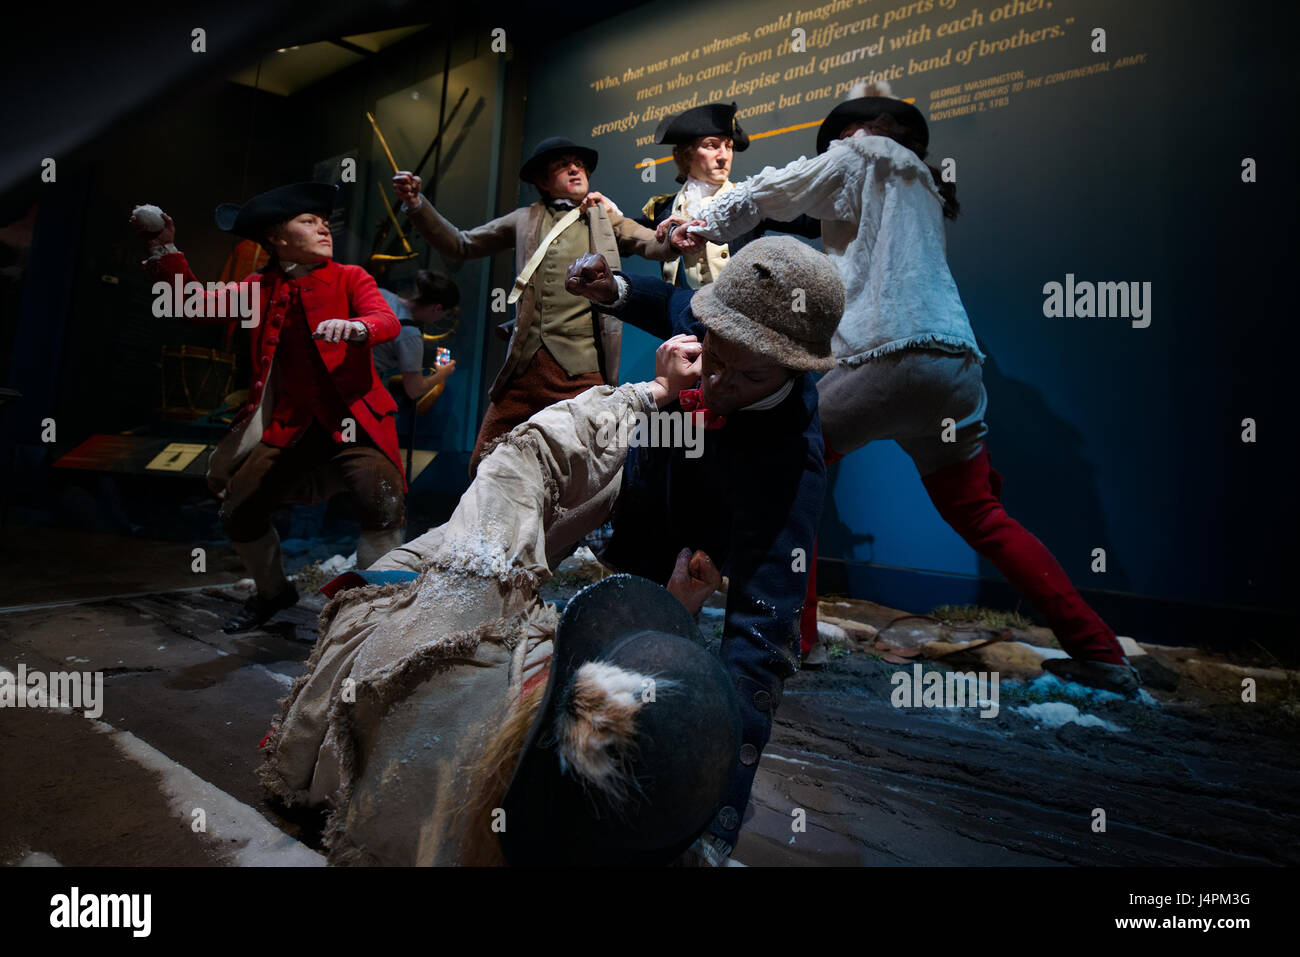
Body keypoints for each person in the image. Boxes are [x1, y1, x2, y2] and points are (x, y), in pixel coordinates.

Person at [673, 93, 1142, 695]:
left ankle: (792, 640)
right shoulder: (919, 182)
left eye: (841, 137)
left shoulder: (864, 152)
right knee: (982, 514)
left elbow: (772, 190)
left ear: (868, 131)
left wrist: (700, 223)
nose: (838, 147)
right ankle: (1101, 654)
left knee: (789, 476)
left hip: (884, 354)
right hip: (955, 366)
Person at [260, 331, 742, 865]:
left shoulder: (466, 621)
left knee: (491, 533)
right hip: (398, 636)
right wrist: (672, 615)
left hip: (393, 612)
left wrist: (653, 388)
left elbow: (525, 457)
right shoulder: (543, 838)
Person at [563, 235, 843, 863]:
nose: (718, 381)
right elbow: (673, 300)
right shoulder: (711, 322)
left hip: (722, 518)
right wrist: (613, 288)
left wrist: (716, 821)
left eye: (748, 376)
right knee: (622, 615)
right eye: (714, 359)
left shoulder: (789, 466)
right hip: (656, 493)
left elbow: (760, 644)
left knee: (679, 622)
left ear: (793, 365)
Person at [131, 183, 407, 633]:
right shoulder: (260, 286)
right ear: (277, 238)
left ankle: (376, 614)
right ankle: (273, 591)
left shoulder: (350, 277)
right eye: (308, 221)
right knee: (239, 509)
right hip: (290, 424)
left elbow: (385, 319)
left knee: (380, 499)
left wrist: (357, 327)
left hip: (354, 421)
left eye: (323, 221)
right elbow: (191, 305)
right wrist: (164, 248)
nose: (323, 228)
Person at [392, 136, 673, 475]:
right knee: (486, 461)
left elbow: (651, 244)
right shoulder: (524, 219)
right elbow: (460, 243)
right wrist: (416, 204)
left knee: (586, 468)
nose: (574, 169)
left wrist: (672, 237)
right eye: (562, 165)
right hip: (525, 366)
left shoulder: (604, 219)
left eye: (579, 165)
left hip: (582, 370)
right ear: (542, 180)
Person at [638, 101, 818, 289]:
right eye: (711, 146)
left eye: (729, 146)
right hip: (681, 314)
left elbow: (811, 225)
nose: (723, 156)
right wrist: (605, 207)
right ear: (686, 155)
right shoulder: (662, 208)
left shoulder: (749, 199)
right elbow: (623, 237)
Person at [373, 268, 458, 399]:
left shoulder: (381, 294)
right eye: (445, 314)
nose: (441, 318)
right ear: (438, 308)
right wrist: (442, 374)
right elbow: (414, 390)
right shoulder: (410, 336)